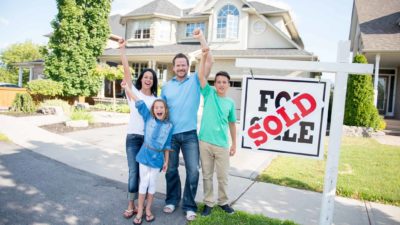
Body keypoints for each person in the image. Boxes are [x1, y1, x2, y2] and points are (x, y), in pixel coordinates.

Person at [161, 28, 213, 221]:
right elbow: (161, 111)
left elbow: (208, 61)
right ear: (173, 67)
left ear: (188, 66)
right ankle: (172, 200)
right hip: (171, 135)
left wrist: (201, 39)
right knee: (171, 170)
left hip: (190, 134)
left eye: (184, 65)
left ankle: (189, 205)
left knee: (193, 170)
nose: (181, 68)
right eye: (178, 65)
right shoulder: (166, 87)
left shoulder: (195, 81)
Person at [122, 73, 173, 225]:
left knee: (152, 184)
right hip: (145, 155)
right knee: (143, 182)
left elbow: (168, 145)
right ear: (153, 110)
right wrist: (127, 89)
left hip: (158, 159)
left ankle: (148, 209)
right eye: (156, 107)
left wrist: (166, 161)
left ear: (165, 110)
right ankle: (138, 211)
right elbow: (139, 102)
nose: (158, 109)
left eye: (161, 107)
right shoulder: (148, 118)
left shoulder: (169, 126)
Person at [118, 39, 158, 220]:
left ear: (153, 81)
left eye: (151, 77)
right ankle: (131, 204)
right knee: (134, 171)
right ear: (141, 79)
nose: (148, 79)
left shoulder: (157, 99)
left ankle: (143, 207)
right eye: (145, 76)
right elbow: (126, 72)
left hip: (149, 141)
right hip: (134, 138)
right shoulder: (132, 92)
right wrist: (122, 50)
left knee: (147, 175)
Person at [197, 46, 237, 216]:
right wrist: (203, 56)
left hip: (222, 144)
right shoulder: (209, 94)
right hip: (205, 141)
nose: (221, 84)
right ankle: (208, 203)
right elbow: (200, 76)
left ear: (228, 85)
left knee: (222, 176)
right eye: (218, 81)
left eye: (224, 82)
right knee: (206, 175)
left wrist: (234, 143)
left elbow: (232, 124)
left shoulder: (230, 103)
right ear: (215, 84)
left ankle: (223, 202)